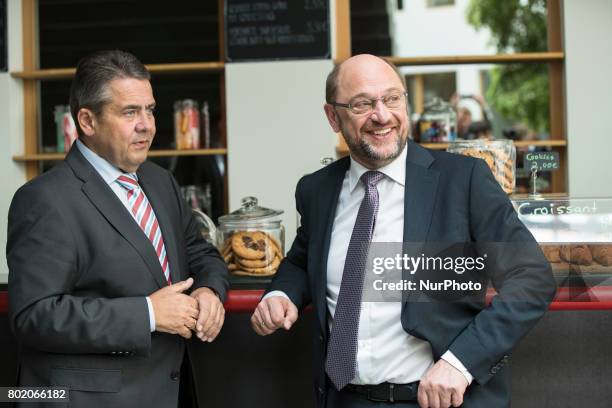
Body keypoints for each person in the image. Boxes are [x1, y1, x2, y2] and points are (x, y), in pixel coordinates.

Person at [250, 54, 555, 408]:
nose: (382, 115)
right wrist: (280, 295)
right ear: (333, 116)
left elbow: (531, 276)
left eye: (392, 98)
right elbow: (304, 260)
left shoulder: (463, 180)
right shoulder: (316, 190)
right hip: (345, 399)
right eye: (363, 103)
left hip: (439, 401)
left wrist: (461, 363)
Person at [7, 50, 228, 407]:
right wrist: (149, 314)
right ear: (87, 121)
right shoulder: (43, 199)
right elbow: (33, 315)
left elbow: (201, 253)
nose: (147, 125)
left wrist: (209, 291)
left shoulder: (161, 181)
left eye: (150, 110)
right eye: (130, 112)